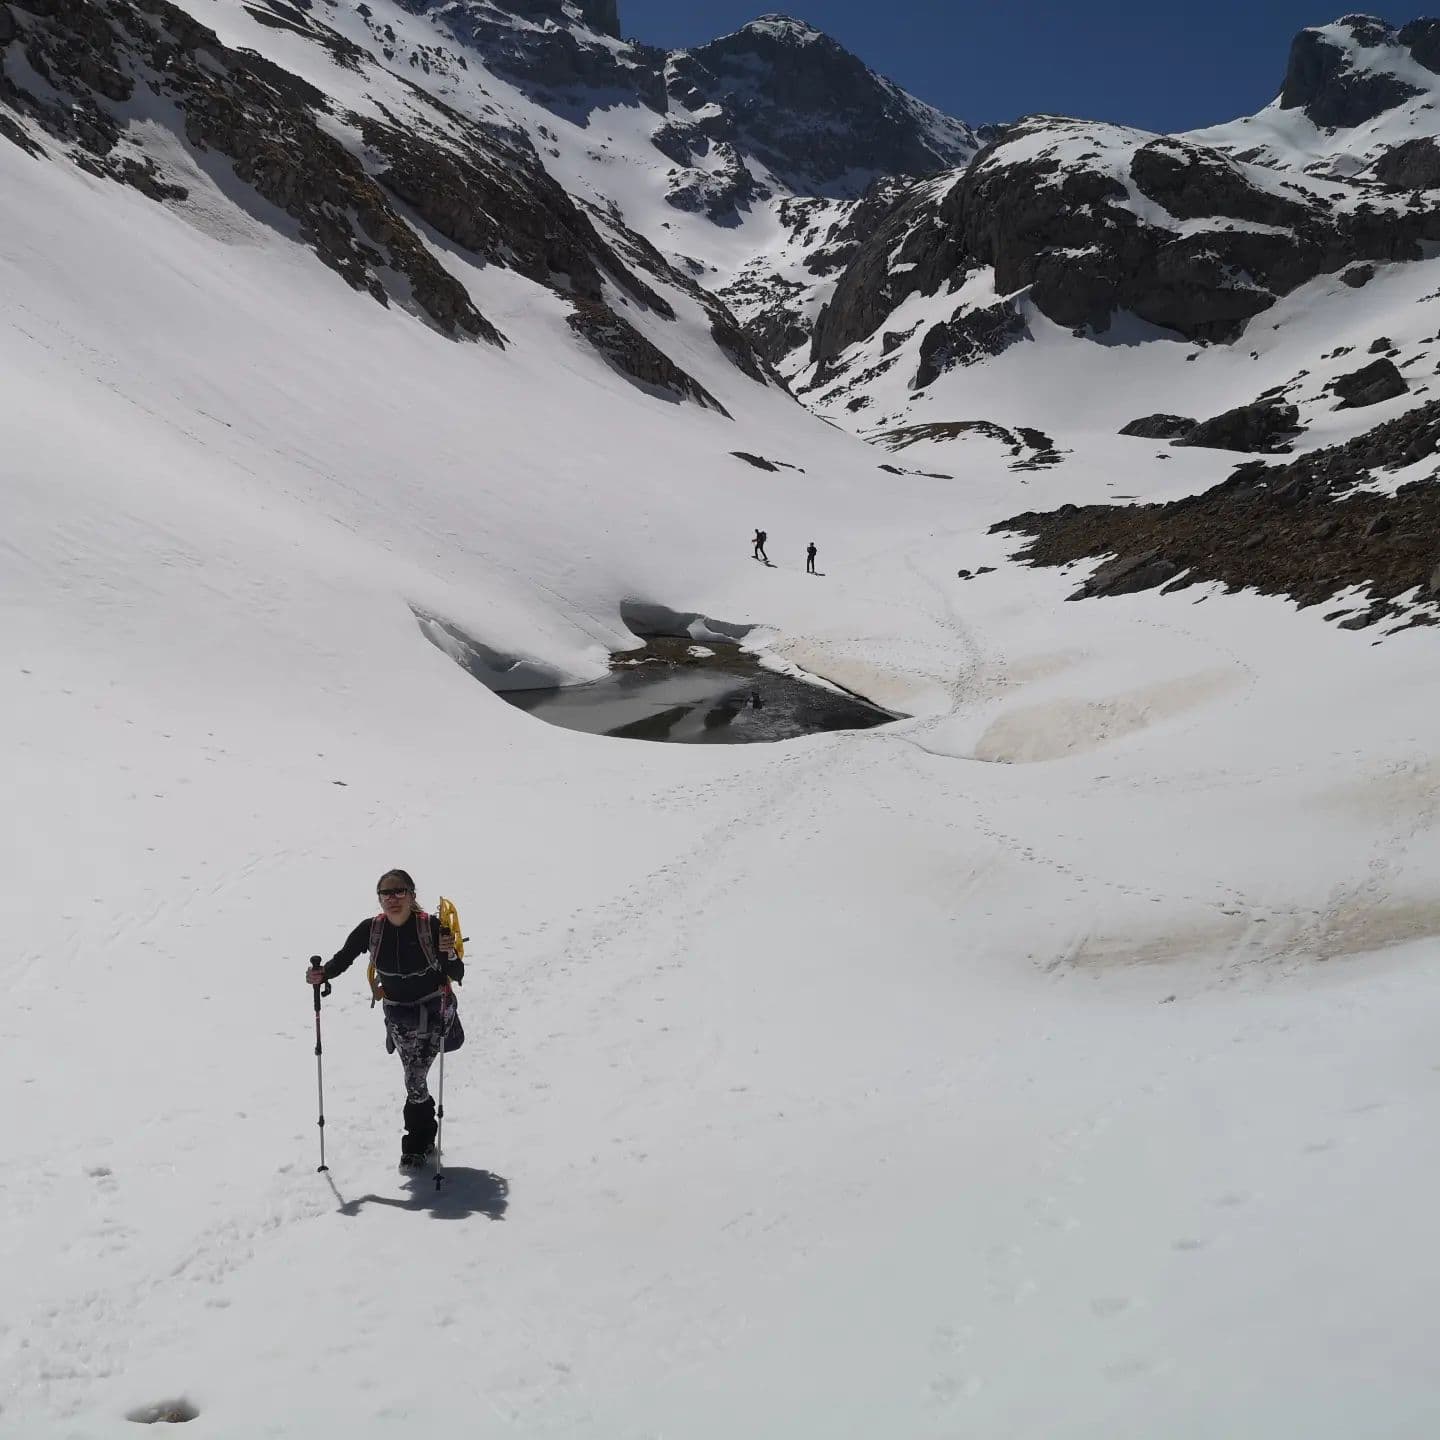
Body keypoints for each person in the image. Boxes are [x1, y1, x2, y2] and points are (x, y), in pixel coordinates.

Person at [306, 869, 464, 1168]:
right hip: (399, 1015)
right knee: (415, 1079)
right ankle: (425, 1139)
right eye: (386, 893)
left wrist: (451, 955)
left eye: (399, 891)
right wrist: (321, 974)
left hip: (434, 1011)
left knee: (415, 1079)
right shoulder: (371, 930)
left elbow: (457, 973)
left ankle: (415, 1147)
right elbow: (343, 958)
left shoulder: (431, 927)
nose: (393, 898)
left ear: (412, 894)